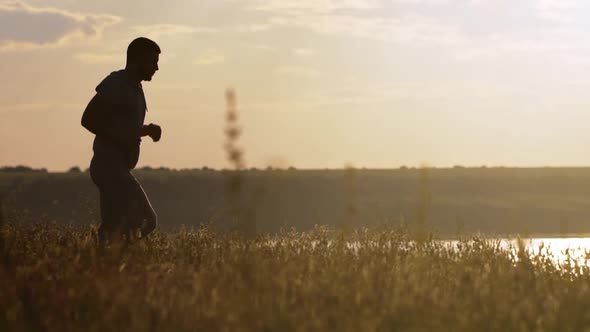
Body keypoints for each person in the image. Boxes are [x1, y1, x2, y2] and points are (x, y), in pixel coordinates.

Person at [81, 37, 162, 246]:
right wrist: (124, 137)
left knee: (113, 226)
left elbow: (123, 127)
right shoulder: (116, 84)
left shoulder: (135, 87)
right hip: (109, 168)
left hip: (117, 168)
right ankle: (109, 258)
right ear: (137, 59)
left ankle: (94, 261)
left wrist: (146, 130)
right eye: (152, 62)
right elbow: (88, 119)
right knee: (146, 220)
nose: (156, 68)